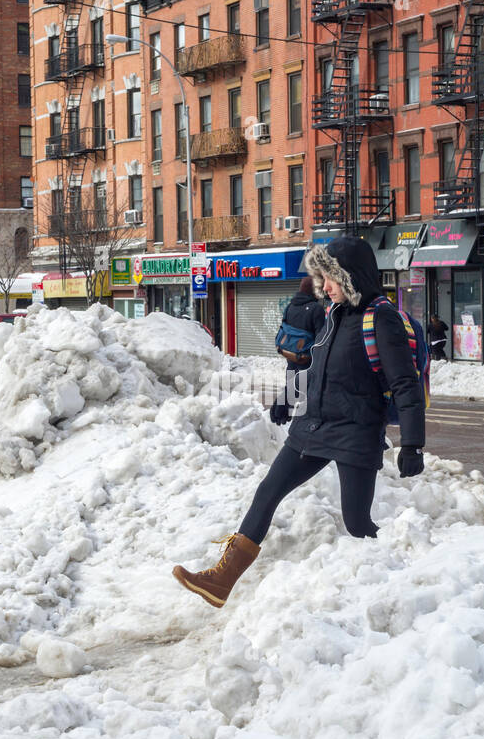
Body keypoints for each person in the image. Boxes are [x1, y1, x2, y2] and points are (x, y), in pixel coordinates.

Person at [173, 236, 426, 608]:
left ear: (352, 277)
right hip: (312, 427)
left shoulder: (380, 317)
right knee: (268, 492)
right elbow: (312, 366)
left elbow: (405, 382)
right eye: (323, 278)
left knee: (357, 522)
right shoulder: (333, 315)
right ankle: (221, 579)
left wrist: (412, 443)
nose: (325, 286)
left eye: (332, 279)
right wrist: (286, 398)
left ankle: (414, 577)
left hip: (355, 432)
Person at [269, 273, 326, 425]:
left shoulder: (290, 307)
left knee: (292, 386)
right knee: (304, 392)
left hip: (291, 355)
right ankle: (284, 413)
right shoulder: (316, 309)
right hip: (308, 358)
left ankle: (280, 413)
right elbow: (321, 337)